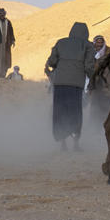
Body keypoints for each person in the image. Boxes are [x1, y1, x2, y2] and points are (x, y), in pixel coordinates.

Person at [44, 21, 95, 151]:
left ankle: (63, 144)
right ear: (86, 33)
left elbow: (52, 61)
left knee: (60, 111)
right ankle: (76, 144)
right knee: (75, 113)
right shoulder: (87, 45)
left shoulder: (61, 42)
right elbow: (89, 66)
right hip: (76, 85)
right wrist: (93, 78)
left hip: (60, 83)